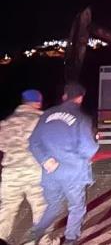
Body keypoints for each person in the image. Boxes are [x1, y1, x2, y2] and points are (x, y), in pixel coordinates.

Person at [27, 83, 99, 245]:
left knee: (53, 205)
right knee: (76, 207)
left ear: (64, 96)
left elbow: (33, 142)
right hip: (72, 173)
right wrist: (95, 144)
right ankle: (71, 239)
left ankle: (35, 234)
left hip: (50, 173)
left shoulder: (47, 115)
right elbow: (89, 148)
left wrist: (45, 160)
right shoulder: (82, 118)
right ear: (80, 98)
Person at [0, 90, 47, 244]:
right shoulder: (42, 120)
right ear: (38, 102)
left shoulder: (7, 122)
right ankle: (44, 242)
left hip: (11, 172)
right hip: (35, 171)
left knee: (7, 208)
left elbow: (2, 145)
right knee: (41, 208)